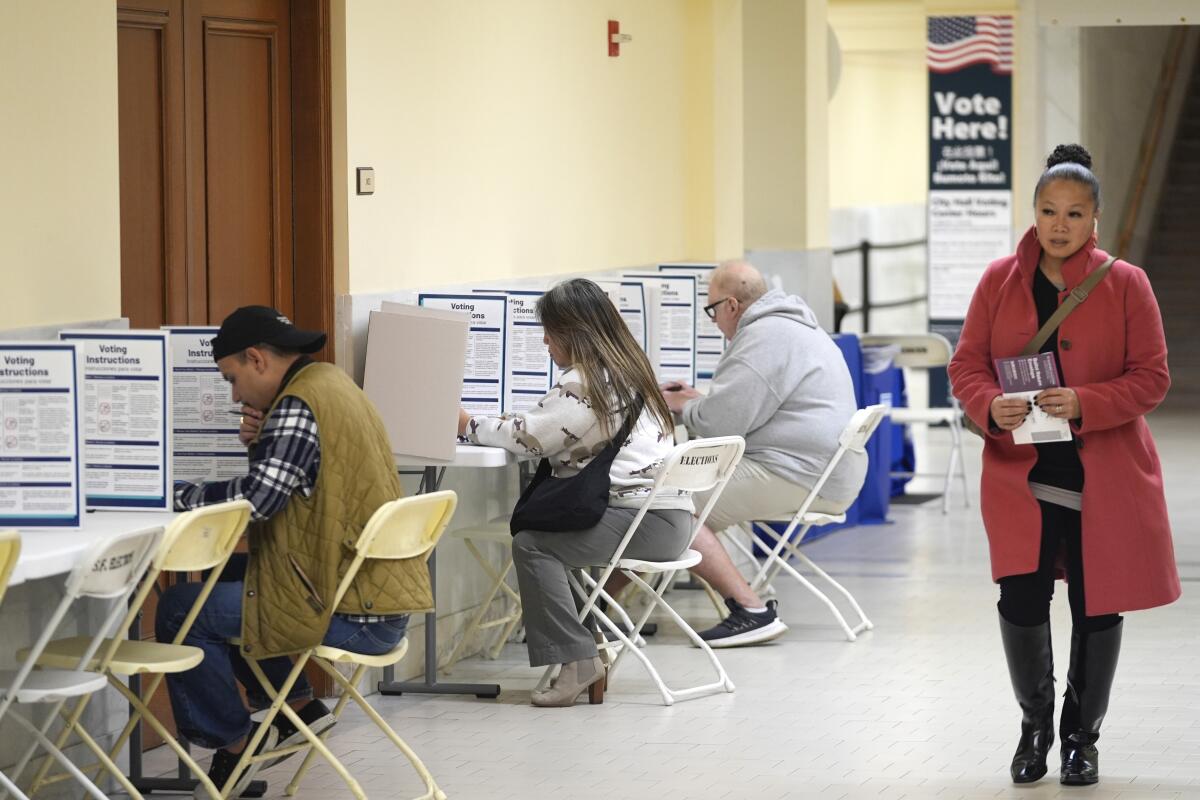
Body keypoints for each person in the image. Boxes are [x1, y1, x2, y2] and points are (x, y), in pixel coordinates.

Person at [948, 144, 1180, 787]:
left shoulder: (1127, 282)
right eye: (1049, 211)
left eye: (1074, 214)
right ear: (1034, 213)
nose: (1059, 225)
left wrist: (1085, 401)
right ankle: (1034, 728)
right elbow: (966, 364)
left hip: (1104, 480)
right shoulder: (998, 280)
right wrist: (989, 405)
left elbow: (1153, 379)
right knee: (1020, 601)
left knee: (1096, 605)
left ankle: (1082, 738)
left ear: (1095, 220)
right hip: (1020, 478)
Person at [157, 306, 433, 797]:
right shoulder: (331, 383)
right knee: (233, 574)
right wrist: (262, 441)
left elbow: (259, 501)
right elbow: (306, 485)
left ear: (257, 359)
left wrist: (174, 495)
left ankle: (233, 752)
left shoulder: (296, 406)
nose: (235, 394)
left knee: (182, 610)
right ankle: (298, 710)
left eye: (233, 378)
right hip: (375, 602)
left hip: (353, 614)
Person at [458, 279, 691, 707]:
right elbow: (549, 426)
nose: (544, 341)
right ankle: (590, 652)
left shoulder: (588, 382)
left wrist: (465, 423)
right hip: (670, 519)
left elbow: (532, 438)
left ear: (574, 332)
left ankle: (578, 661)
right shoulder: (628, 371)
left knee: (533, 544)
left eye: (550, 331)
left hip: (644, 519)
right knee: (559, 534)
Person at [658, 260, 866, 647]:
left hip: (802, 474)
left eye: (712, 310)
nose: (714, 321)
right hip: (827, 470)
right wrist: (697, 400)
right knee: (693, 498)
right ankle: (754, 597)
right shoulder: (792, 324)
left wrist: (685, 407)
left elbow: (721, 424)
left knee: (667, 507)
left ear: (732, 306)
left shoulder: (763, 337)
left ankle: (749, 610)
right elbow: (745, 406)